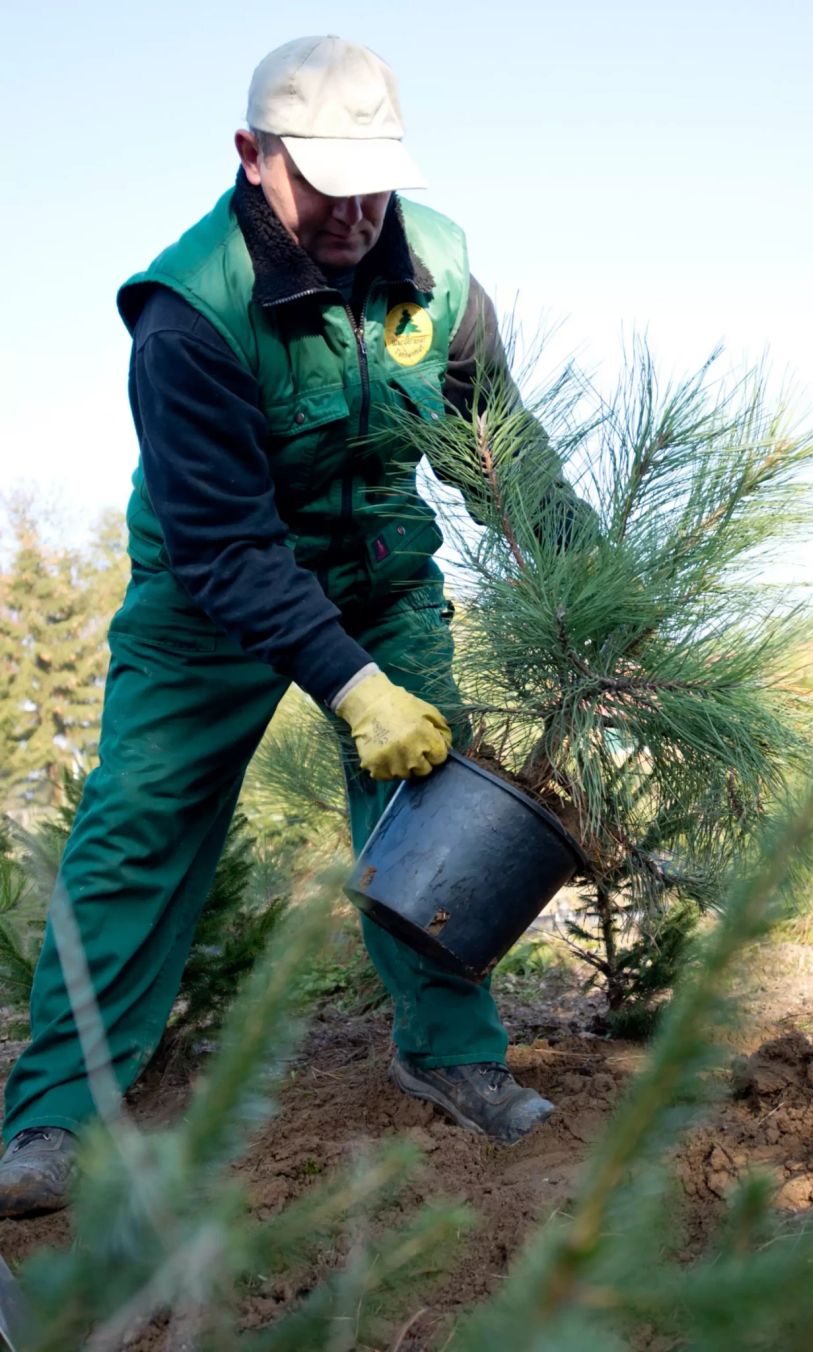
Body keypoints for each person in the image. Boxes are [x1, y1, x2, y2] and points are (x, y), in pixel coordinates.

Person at [0, 35, 570, 1218]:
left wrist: (587, 576)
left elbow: (496, 448)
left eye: (375, 176)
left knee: (438, 799)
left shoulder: (440, 267)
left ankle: (450, 1046)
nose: (359, 208)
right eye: (325, 179)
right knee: (138, 827)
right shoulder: (186, 312)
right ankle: (55, 1114)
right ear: (252, 156)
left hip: (379, 574)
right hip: (209, 597)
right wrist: (353, 691)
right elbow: (227, 549)